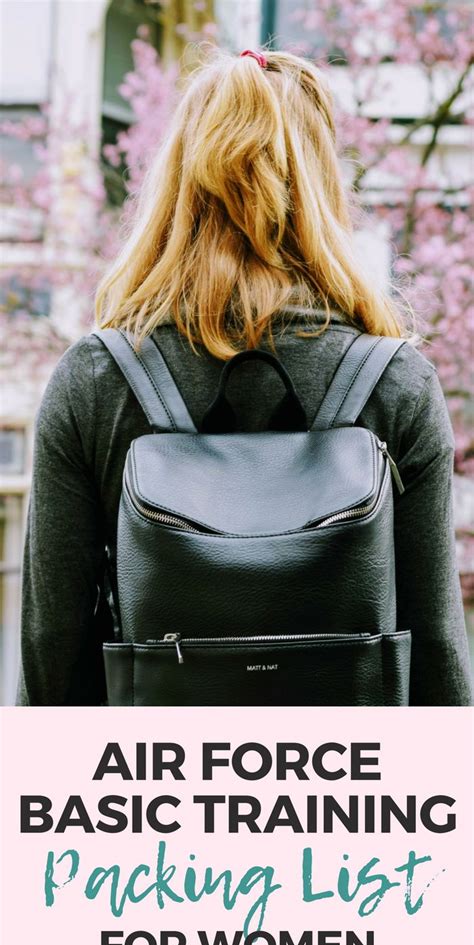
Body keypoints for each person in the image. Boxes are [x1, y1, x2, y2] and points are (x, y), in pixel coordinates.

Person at [17, 47, 471, 706]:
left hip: (151, 792)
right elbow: (436, 657)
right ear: (321, 187)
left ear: (175, 182)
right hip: (349, 798)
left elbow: (50, 655)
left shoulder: (95, 382)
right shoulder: (396, 383)